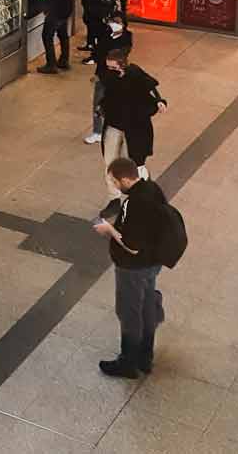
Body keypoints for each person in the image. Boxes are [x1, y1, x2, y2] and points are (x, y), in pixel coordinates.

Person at [94, 156, 172, 379]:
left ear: (126, 179)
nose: (114, 186)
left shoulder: (134, 203)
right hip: (152, 264)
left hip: (133, 268)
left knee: (129, 312)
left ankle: (128, 362)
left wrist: (109, 230)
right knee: (147, 306)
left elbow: (131, 245)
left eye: (114, 181)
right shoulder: (152, 188)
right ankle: (145, 357)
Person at [99, 40, 165, 194]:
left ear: (122, 65)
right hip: (114, 124)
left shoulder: (134, 73)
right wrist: (101, 107)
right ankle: (114, 196)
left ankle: (134, 192)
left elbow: (150, 88)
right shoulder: (110, 77)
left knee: (132, 163)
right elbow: (107, 96)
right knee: (110, 162)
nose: (110, 70)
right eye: (108, 67)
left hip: (133, 126)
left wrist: (159, 101)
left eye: (113, 68)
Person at [37, 0, 73, 74]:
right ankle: (64, 60)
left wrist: (46, 9)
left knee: (47, 36)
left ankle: (51, 64)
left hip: (56, 12)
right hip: (66, 10)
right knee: (63, 35)